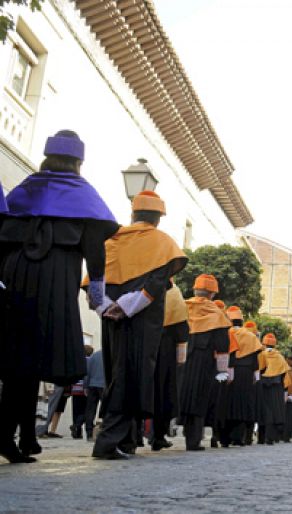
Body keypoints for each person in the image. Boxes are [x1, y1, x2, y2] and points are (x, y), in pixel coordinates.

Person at [0, 130, 118, 464]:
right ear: (78, 162)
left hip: (13, 277)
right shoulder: (84, 196)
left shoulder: (26, 189)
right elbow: (95, 253)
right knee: (32, 359)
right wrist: (97, 296)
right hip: (54, 282)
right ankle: (10, 435)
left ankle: (24, 437)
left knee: (17, 362)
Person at [90, 191, 187, 460]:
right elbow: (157, 283)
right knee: (131, 376)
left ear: (134, 214)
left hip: (110, 316)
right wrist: (127, 306)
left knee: (115, 371)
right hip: (141, 319)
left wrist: (106, 305)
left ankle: (128, 441)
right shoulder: (162, 242)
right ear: (158, 218)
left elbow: (95, 278)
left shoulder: (113, 240)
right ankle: (108, 442)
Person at [179, 274, 231, 451]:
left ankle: (161, 435)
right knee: (199, 398)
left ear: (194, 290)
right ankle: (193, 440)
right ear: (212, 294)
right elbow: (223, 345)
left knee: (182, 396)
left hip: (182, 359)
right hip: (204, 362)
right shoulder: (216, 313)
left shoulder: (183, 307)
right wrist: (223, 370)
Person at [151, 282, 189, 451]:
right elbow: (181, 328)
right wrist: (181, 359)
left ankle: (132, 436)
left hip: (143, 342)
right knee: (162, 392)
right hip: (165, 349)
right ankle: (158, 435)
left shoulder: (141, 282)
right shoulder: (174, 294)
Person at [219, 316, 261, 447]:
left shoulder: (227, 332)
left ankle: (224, 438)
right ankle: (238, 437)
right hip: (246, 372)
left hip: (227, 369)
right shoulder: (251, 336)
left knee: (226, 404)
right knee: (242, 404)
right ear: (242, 323)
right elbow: (255, 358)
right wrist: (255, 374)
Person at [256, 333, 289, 445]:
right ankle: (271, 438)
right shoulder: (280, 357)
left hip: (263, 385)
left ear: (264, 343)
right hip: (276, 386)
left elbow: (258, 369)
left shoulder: (262, 354)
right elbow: (285, 374)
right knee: (275, 411)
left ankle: (261, 438)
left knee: (263, 410)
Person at [84, 347, 105, 441]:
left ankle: (89, 433)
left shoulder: (93, 356)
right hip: (104, 385)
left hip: (92, 385)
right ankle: (103, 430)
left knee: (90, 409)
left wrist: (85, 386)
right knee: (105, 408)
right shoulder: (110, 356)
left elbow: (87, 372)